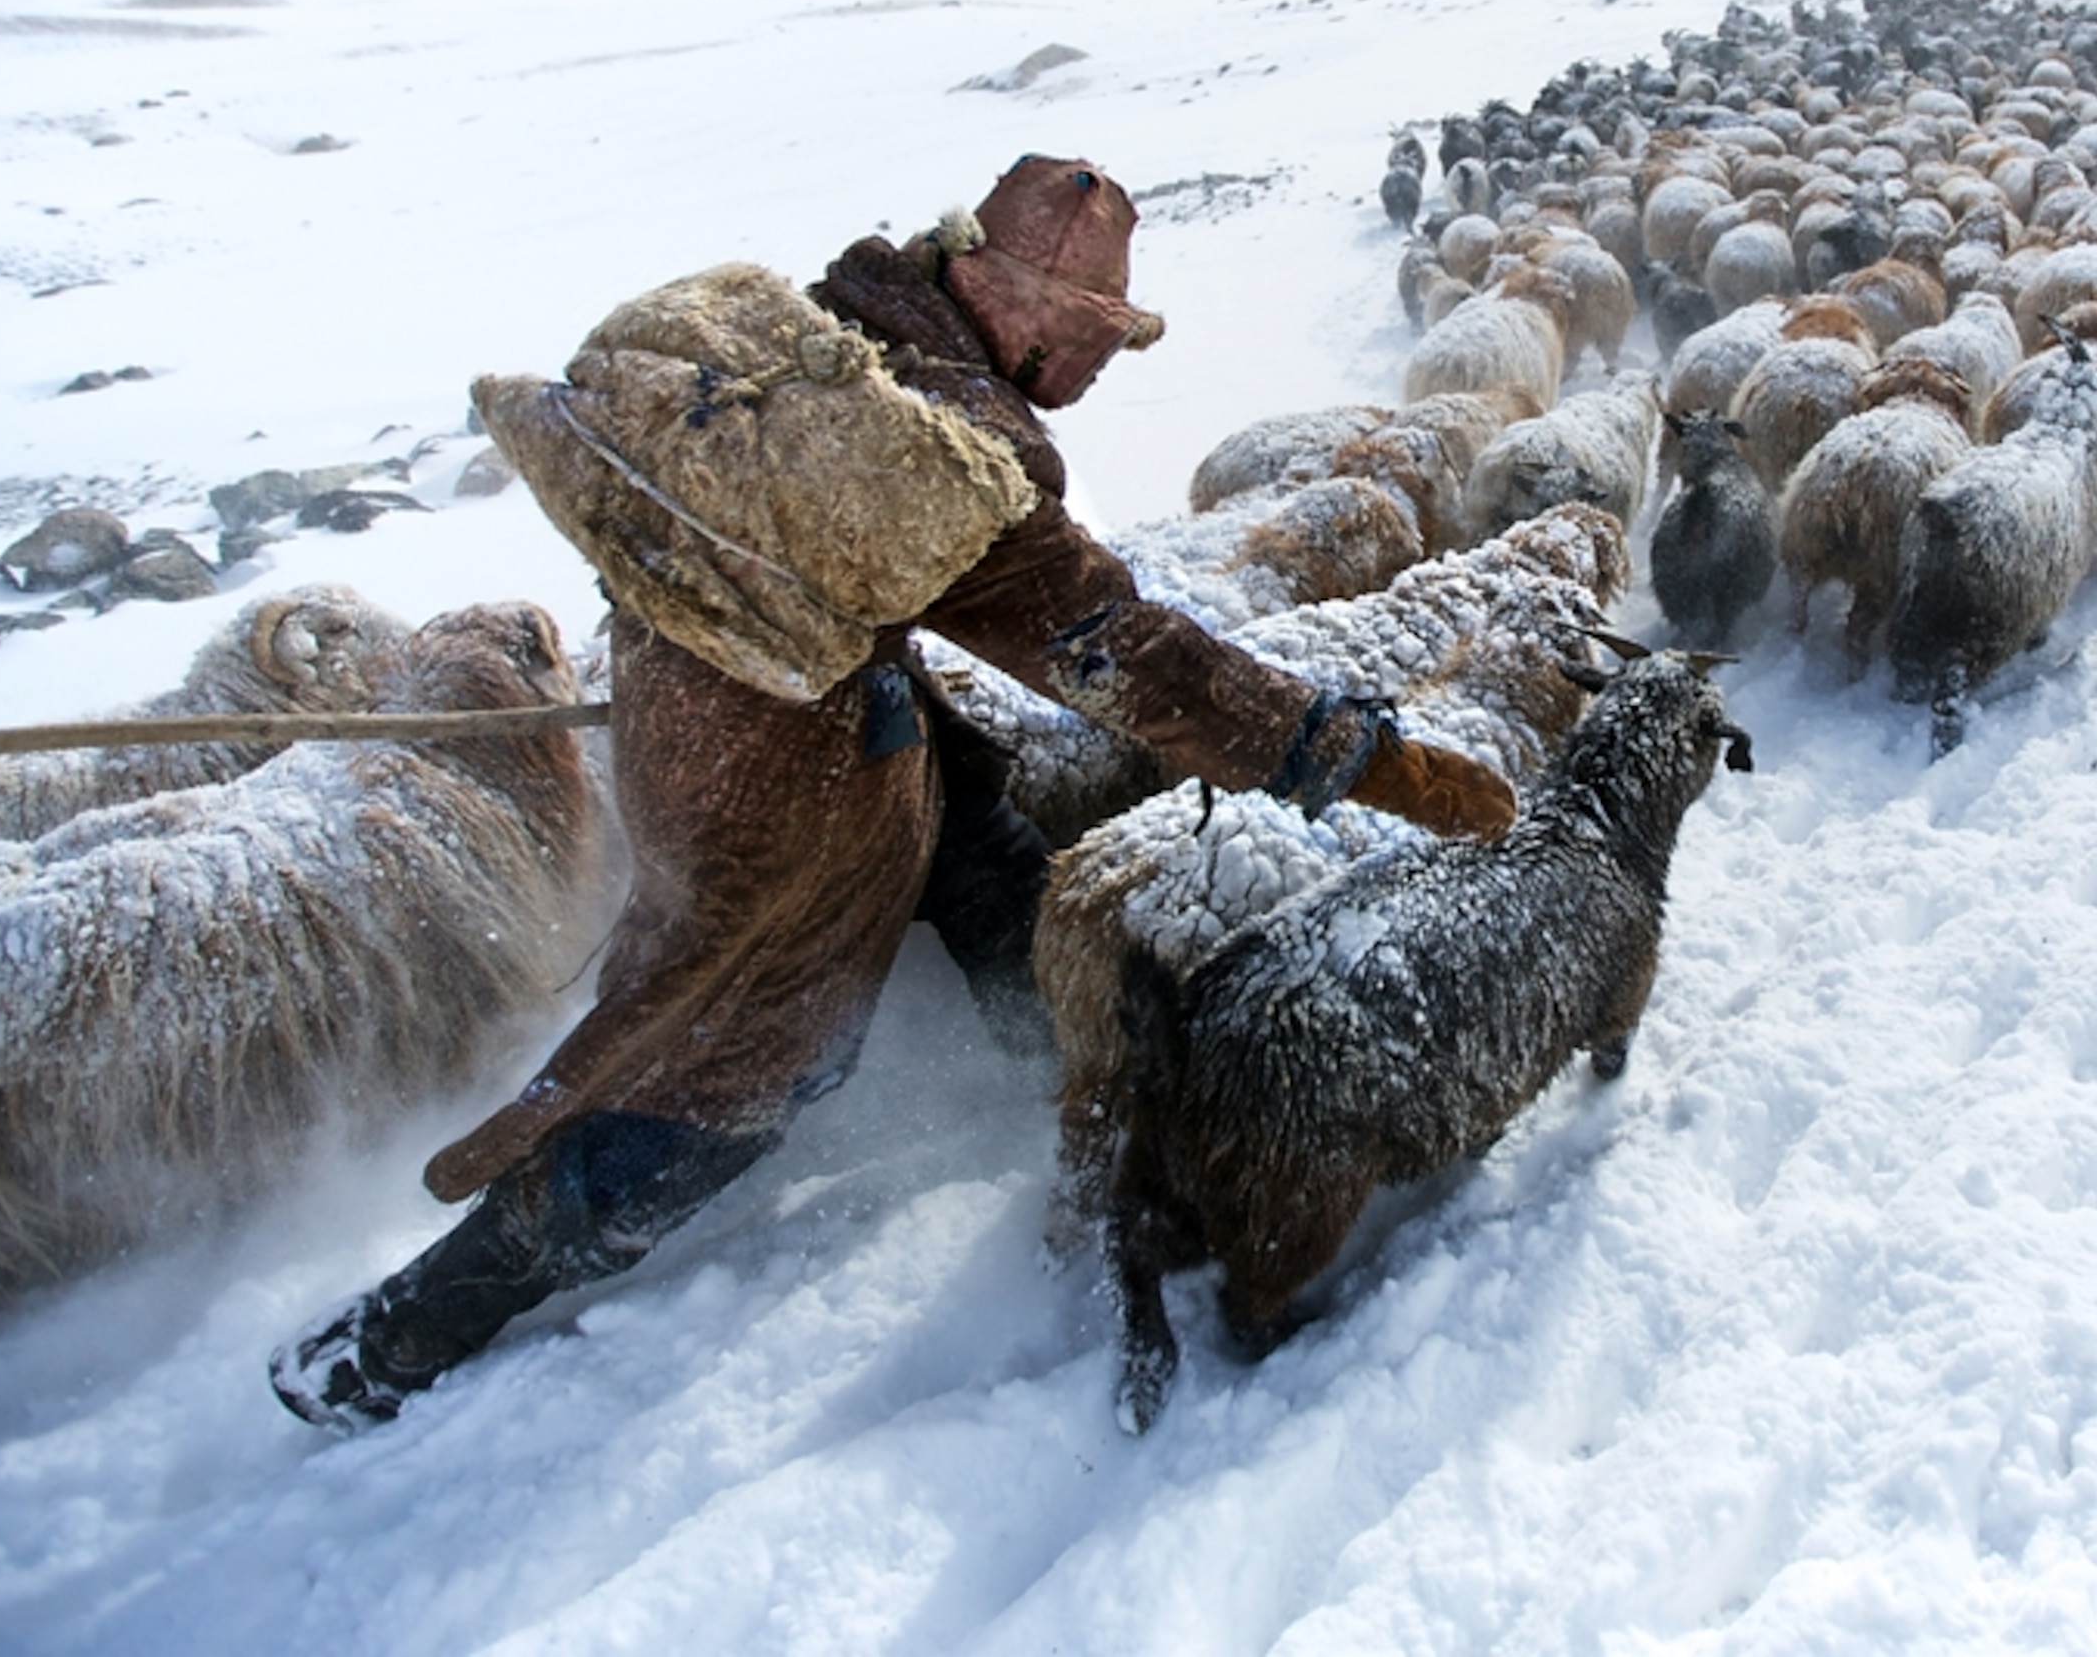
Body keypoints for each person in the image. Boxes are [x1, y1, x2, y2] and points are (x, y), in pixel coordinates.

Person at [272, 156, 1516, 1430]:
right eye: (1096, 333)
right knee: (738, 1074)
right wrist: (1353, 755)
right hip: (776, 771)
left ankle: (1081, 1092)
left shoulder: (855, 328)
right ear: (1016, 297)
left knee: (977, 845)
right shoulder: (941, 458)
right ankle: (399, 1335)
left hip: (738, 700)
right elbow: (1121, 652)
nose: (1104, 366)